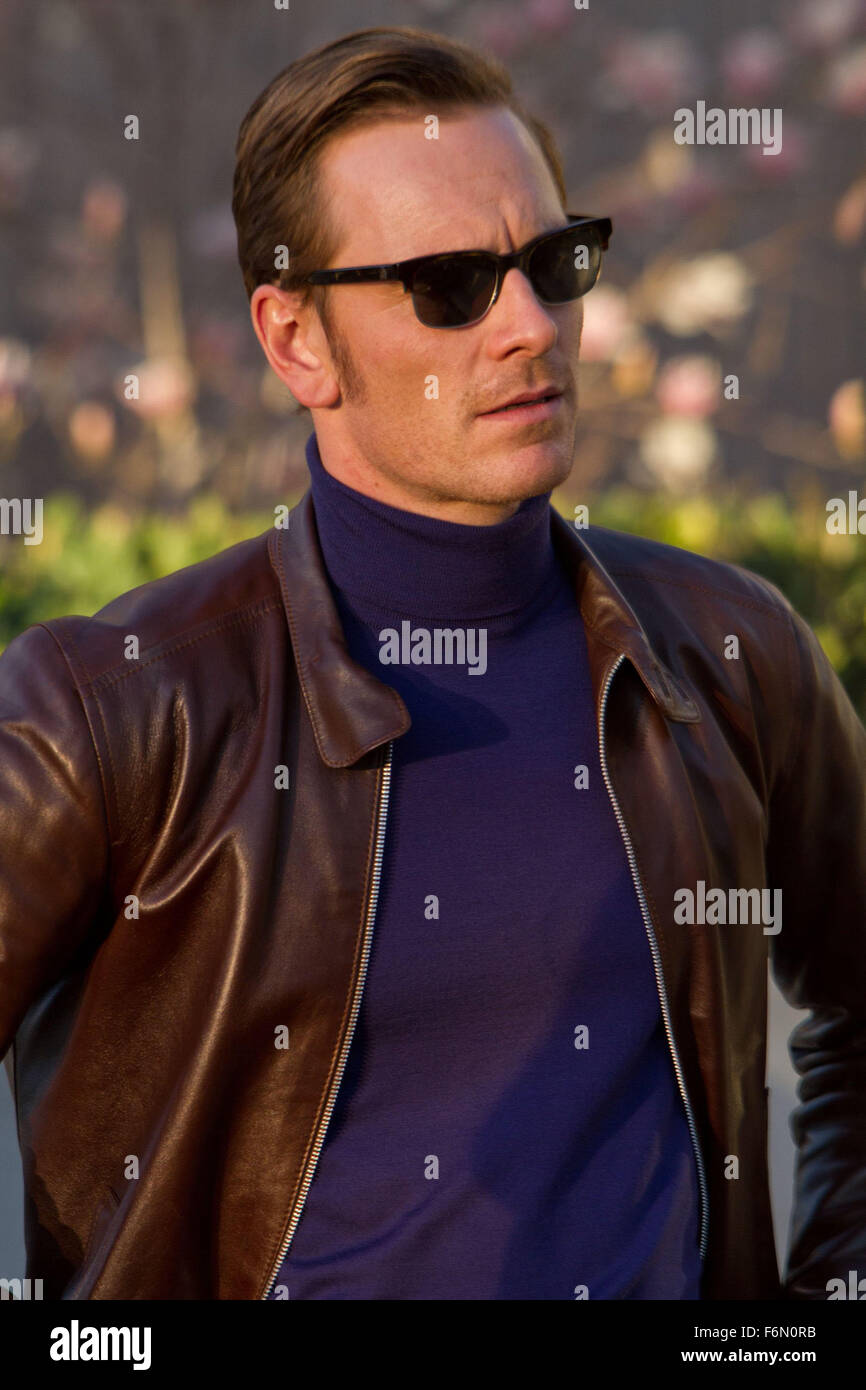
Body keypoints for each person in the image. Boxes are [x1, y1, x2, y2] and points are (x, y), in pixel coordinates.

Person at [1, 25, 864, 1302]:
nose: (530, 325)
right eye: (449, 284)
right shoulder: (113, 708)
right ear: (295, 340)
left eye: (553, 264)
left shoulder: (728, 656)